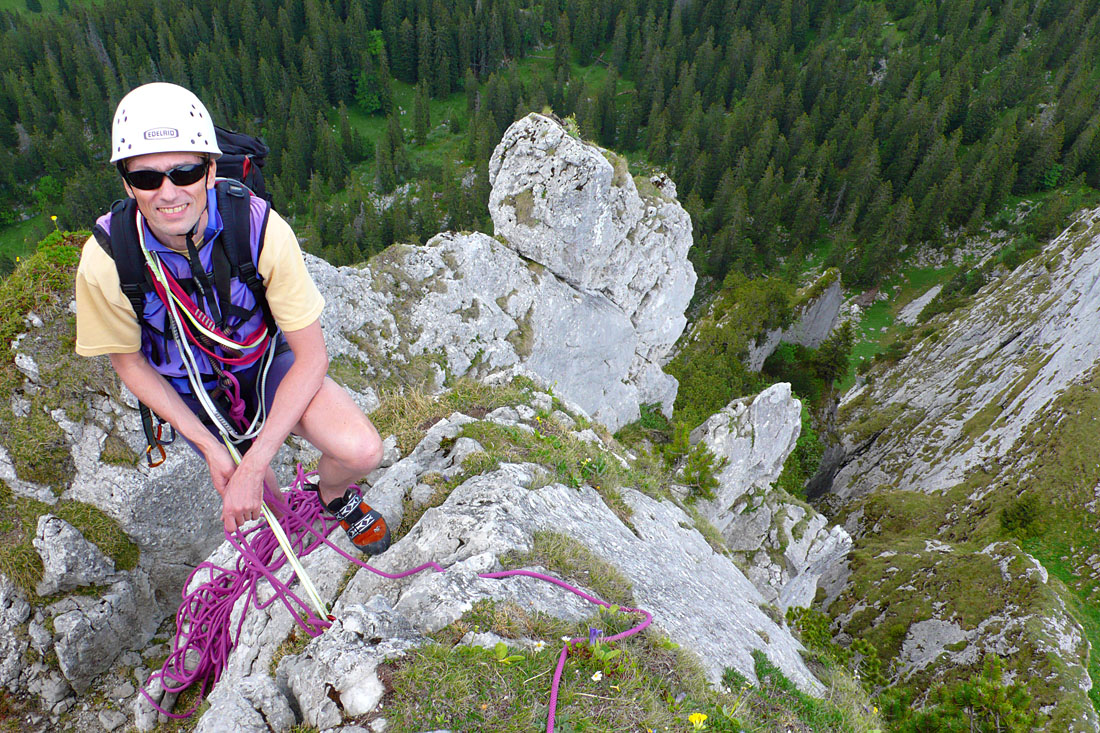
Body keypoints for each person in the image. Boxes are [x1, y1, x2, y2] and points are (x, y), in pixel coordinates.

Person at [74, 82, 390, 554]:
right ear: (126, 182)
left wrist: (256, 459)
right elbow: (131, 363)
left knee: (362, 450)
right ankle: (290, 531)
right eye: (146, 178)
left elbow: (312, 356)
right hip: (191, 391)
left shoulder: (257, 227)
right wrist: (208, 446)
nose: (168, 193)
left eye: (185, 172)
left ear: (209, 171)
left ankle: (334, 495)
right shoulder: (107, 258)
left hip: (264, 366)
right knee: (262, 504)